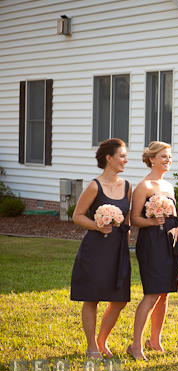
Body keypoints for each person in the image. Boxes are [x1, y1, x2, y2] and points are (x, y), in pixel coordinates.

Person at [70, 138, 132, 359]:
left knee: (120, 299)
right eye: (122, 156)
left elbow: (127, 219)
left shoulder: (127, 186)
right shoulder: (94, 186)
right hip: (96, 250)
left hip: (119, 249)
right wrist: (98, 226)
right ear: (109, 158)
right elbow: (77, 216)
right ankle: (91, 347)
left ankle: (102, 340)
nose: (126, 160)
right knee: (92, 297)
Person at [127, 142, 178, 360]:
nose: (168, 160)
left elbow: (175, 222)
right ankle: (135, 346)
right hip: (152, 244)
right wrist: (152, 222)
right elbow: (133, 219)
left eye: (169, 157)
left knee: (164, 295)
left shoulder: (169, 186)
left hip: (172, 244)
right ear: (151, 159)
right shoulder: (144, 186)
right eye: (164, 156)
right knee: (152, 294)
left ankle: (155, 340)